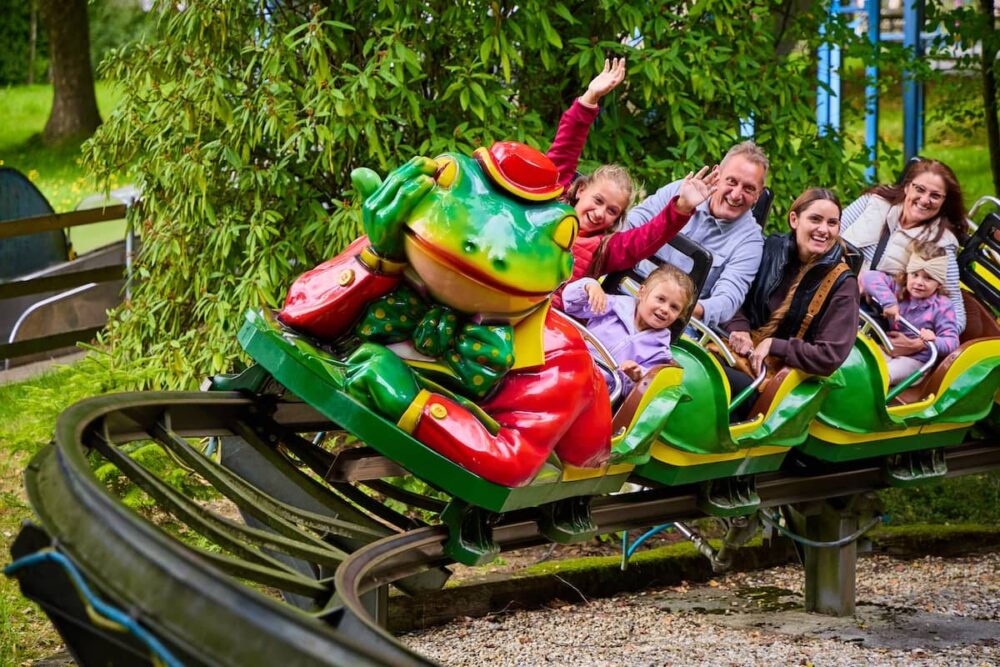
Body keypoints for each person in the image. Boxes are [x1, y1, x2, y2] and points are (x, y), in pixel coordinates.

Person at [545, 57, 717, 308]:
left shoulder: (604, 248)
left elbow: (647, 238)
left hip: (552, 314)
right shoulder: (551, 203)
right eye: (598, 200)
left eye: (612, 211)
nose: (600, 213)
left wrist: (681, 207)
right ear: (581, 189)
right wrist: (590, 98)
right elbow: (564, 151)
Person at [723, 188, 860, 418]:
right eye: (815, 219)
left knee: (714, 384)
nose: (824, 230)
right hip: (736, 351)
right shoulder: (770, 248)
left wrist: (775, 346)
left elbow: (830, 355)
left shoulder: (843, 284)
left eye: (832, 223)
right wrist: (739, 328)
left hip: (779, 378)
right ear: (794, 220)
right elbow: (733, 294)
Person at [623, 141, 768, 328]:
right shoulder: (682, 191)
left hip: (675, 321)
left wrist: (676, 307)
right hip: (628, 288)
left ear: (758, 195)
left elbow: (727, 301)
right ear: (717, 175)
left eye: (748, 189)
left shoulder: (750, 242)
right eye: (731, 182)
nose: (735, 195)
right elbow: (632, 223)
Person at [841, 158, 969, 337]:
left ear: (944, 202)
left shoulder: (940, 242)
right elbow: (830, 234)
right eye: (920, 189)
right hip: (832, 287)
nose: (925, 200)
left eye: (935, 196)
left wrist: (921, 342)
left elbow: (957, 315)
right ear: (907, 187)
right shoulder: (874, 201)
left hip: (869, 316)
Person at [562, 264, 696, 396]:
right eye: (661, 299)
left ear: (680, 315)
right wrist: (589, 286)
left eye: (674, 307)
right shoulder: (614, 306)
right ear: (642, 292)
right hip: (569, 365)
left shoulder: (660, 351)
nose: (665, 309)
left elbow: (637, 392)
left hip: (597, 391)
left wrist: (636, 377)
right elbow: (571, 305)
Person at [860, 242, 959, 385]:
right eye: (915, 275)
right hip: (888, 347)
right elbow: (869, 277)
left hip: (916, 361)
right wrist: (889, 302)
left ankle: (868, 398)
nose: (919, 282)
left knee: (883, 374)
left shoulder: (942, 306)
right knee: (862, 362)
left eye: (928, 278)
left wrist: (932, 340)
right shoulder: (899, 288)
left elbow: (952, 342)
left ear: (939, 283)